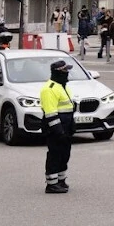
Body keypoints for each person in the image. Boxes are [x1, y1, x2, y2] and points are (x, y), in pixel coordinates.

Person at [40, 58, 77, 193]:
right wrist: (58, 131)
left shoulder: (62, 86)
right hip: (55, 128)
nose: (67, 73)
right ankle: (51, 184)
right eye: (65, 70)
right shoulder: (49, 89)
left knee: (64, 154)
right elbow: (50, 113)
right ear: (58, 72)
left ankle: (61, 180)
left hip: (65, 126)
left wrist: (71, 125)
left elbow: (68, 107)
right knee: (55, 154)